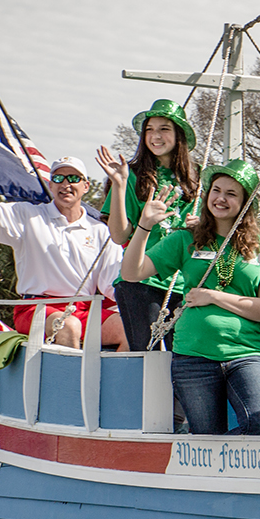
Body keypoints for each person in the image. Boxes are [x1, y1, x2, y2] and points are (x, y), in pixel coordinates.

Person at [122, 158, 260, 436]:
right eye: (216, 190)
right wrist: (144, 226)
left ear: (246, 202)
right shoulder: (185, 239)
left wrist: (212, 296)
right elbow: (131, 273)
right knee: (206, 438)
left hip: (245, 354)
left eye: (231, 193)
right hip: (193, 357)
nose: (221, 198)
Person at [0, 138, 126, 349]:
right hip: (36, 308)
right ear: (50, 185)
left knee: (132, 328)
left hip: (84, 310)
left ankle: (110, 383)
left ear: (86, 186)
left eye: (73, 178)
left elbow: (113, 286)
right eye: (58, 178)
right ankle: (70, 383)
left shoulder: (100, 230)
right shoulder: (28, 216)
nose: (66, 184)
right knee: (68, 325)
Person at [96, 98, 200, 351]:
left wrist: (200, 226)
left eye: (164, 129)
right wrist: (120, 187)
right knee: (148, 357)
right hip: (141, 283)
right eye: (149, 129)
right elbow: (119, 236)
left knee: (185, 360)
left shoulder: (198, 180)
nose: (155, 136)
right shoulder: (130, 175)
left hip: (185, 285)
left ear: (179, 136)